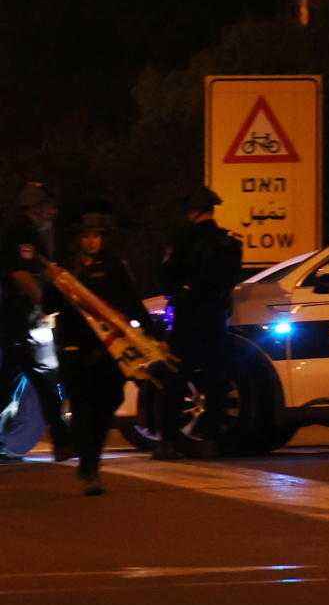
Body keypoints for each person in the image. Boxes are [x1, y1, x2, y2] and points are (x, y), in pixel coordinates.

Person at [50, 212, 143, 495]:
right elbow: (48, 304)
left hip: (108, 350)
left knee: (107, 404)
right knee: (83, 410)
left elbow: (132, 302)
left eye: (96, 236)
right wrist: (58, 285)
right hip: (75, 348)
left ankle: (91, 461)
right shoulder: (66, 270)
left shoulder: (114, 266)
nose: (92, 242)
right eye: (87, 236)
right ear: (79, 239)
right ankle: (91, 469)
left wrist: (150, 335)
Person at [158, 186, 246, 456]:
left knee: (175, 378)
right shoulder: (230, 241)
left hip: (185, 318)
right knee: (213, 377)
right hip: (214, 318)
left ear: (192, 212)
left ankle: (170, 441)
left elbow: (166, 279)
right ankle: (210, 439)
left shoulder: (181, 240)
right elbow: (231, 279)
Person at [3, 225, 68, 463]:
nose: (50, 213)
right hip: (22, 321)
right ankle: (62, 439)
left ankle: (63, 439)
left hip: (24, 322)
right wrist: (48, 306)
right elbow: (21, 276)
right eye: (46, 207)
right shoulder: (24, 234)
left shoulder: (33, 235)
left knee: (32, 380)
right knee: (42, 378)